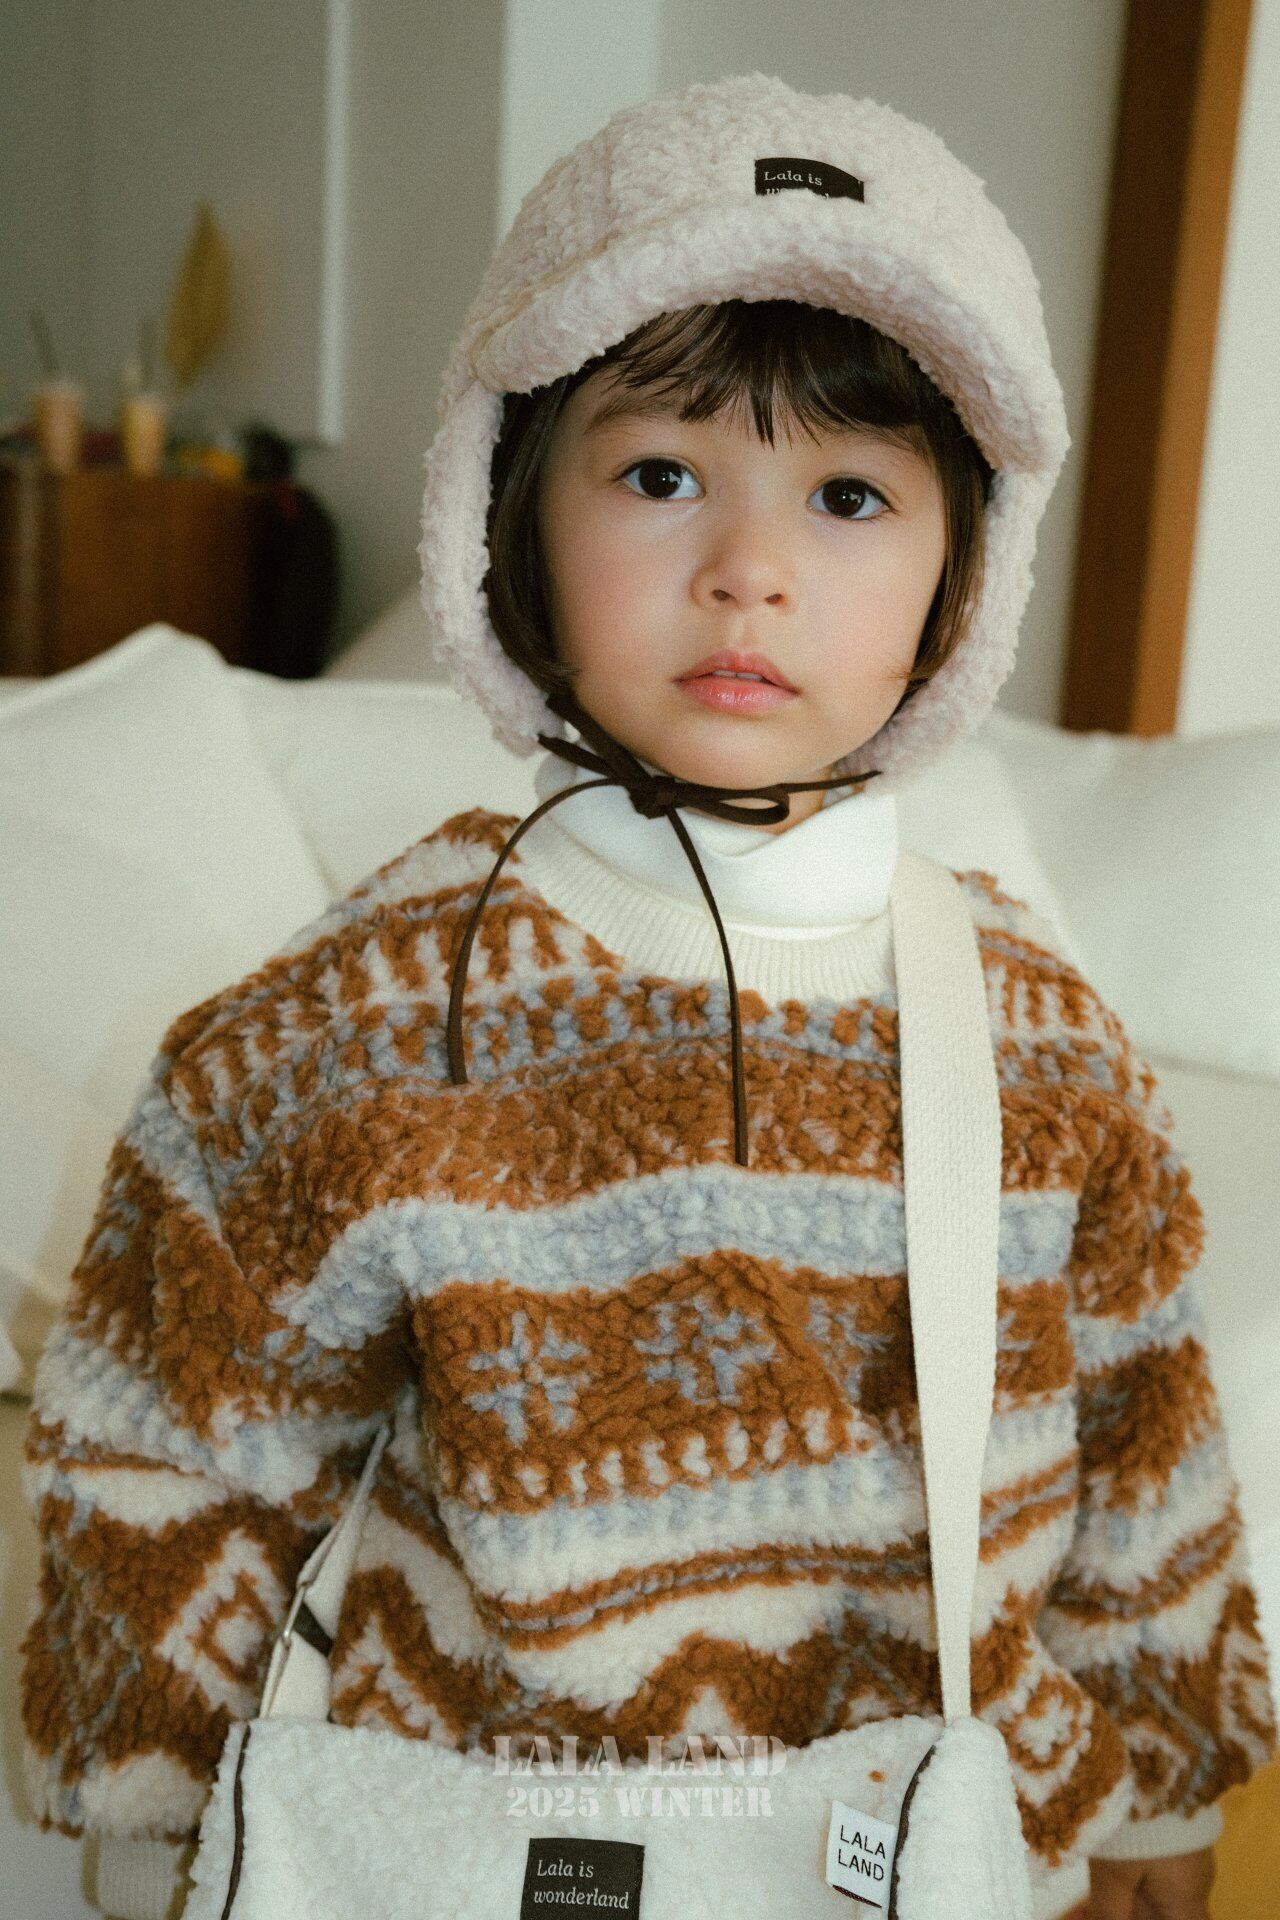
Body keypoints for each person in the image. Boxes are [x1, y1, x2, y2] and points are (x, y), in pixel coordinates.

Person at [19, 72, 1276, 1920]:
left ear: (962, 576)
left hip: (919, 1858)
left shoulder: (1033, 1035)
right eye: (662, 475)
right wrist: (162, 1817)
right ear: (509, 513)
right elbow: (176, 1425)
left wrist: (1159, 1791)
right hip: (455, 1857)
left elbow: (1144, 1430)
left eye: (849, 495)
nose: (749, 572)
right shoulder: (352, 1023)